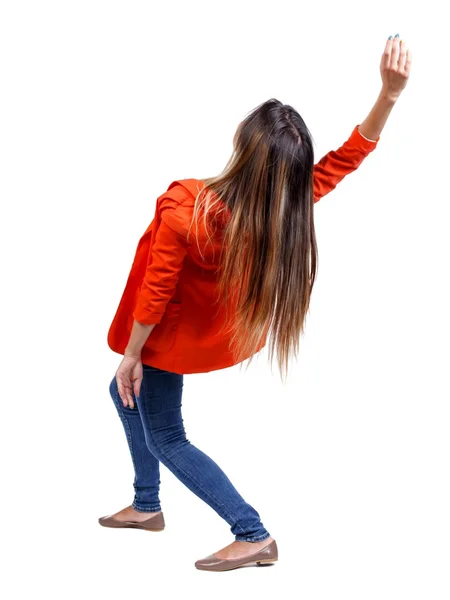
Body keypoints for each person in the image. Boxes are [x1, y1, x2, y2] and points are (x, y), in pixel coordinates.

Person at [99, 34, 412, 572]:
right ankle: (146, 504)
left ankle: (252, 532)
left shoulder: (187, 207)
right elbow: (347, 159)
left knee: (166, 434)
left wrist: (132, 354)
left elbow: (155, 291)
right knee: (122, 395)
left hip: (165, 338)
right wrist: (389, 95)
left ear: (243, 146)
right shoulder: (285, 206)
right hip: (205, 335)